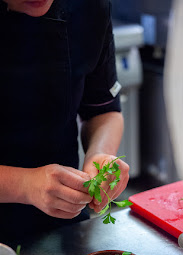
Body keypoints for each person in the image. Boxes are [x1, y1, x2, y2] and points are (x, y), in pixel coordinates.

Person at [0, 0, 129, 239]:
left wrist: (99, 155)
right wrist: (24, 185)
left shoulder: (89, 7)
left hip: (64, 227)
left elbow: (104, 110)